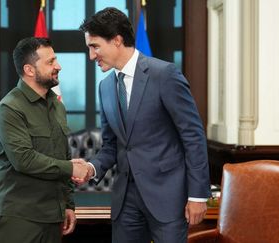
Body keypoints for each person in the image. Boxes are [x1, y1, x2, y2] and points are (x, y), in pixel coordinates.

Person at [76, 7, 211, 243]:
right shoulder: (105, 87)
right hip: (125, 202)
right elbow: (111, 146)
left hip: (167, 199)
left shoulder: (165, 74)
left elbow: (193, 135)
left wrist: (198, 195)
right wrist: (92, 168)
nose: (91, 56)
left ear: (117, 40)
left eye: (94, 46)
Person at [0, 37, 92, 243]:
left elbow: (64, 156)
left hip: (52, 217)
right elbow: (24, 160)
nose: (58, 66)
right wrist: (72, 168)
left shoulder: (57, 106)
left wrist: (68, 205)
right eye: (50, 62)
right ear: (29, 70)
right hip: (20, 218)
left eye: (56, 59)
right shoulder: (9, 108)